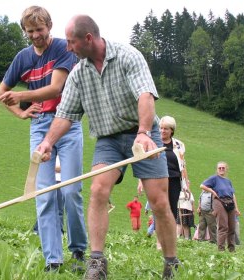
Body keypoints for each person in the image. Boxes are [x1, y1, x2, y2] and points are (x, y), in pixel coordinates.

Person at [34, 15, 180, 279]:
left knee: (158, 202)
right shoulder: (78, 73)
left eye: (71, 42)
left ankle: (171, 263)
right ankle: (97, 263)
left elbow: (145, 96)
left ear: (88, 39)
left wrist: (144, 132)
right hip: (108, 140)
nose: (67, 48)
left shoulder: (128, 56)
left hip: (143, 134)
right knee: (98, 189)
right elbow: (65, 114)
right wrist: (48, 142)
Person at [0, 6, 87, 272]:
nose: (36, 35)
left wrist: (22, 97)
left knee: (71, 190)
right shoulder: (22, 58)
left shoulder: (61, 49)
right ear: (25, 31)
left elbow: (56, 88)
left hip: (67, 122)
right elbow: (1, 92)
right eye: (30, 31)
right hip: (39, 127)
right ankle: (53, 260)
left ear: (49, 26)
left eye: (40, 29)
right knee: (45, 194)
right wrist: (20, 114)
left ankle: (79, 249)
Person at [138, 115, 190, 237]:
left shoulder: (179, 145)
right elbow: (144, 163)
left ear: (171, 130)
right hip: (158, 179)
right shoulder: (153, 143)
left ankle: (170, 237)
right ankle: (158, 236)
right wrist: (141, 181)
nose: (162, 131)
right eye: (161, 128)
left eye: (166, 128)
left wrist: (186, 184)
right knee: (159, 207)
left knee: (172, 209)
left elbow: (183, 165)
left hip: (174, 180)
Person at [201, 162, 240, 252]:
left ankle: (231, 248)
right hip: (219, 201)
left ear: (226, 169)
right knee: (223, 226)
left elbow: (232, 194)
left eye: (223, 168)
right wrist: (213, 192)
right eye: (220, 168)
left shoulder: (228, 181)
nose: (221, 169)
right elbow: (202, 186)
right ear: (217, 169)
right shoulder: (214, 178)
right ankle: (221, 249)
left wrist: (236, 208)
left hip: (230, 202)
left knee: (232, 227)